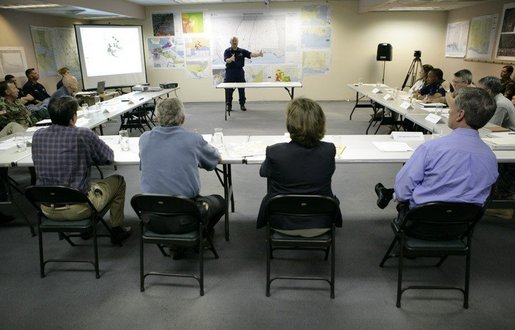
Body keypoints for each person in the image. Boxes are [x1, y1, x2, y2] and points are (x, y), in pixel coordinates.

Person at [375, 87, 498, 227]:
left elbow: (403, 192)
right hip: (462, 226)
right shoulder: (491, 157)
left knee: (406, 185)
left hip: (420, 223)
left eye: (451, 108)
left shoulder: (430, 149)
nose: (449, 111)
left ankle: (387, 194)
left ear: (460, 115)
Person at [31, 96, 132, 245]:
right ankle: (117, 229)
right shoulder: (82, 134)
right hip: (78, 208)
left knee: (85, 182)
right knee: (118, 181)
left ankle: (87, 230)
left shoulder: (37, 135)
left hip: (46, 207)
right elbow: (108, 157)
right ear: (73, 117)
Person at [139, 98, 225, 244]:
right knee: (220, 202)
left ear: (156, 118)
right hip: (185, 219)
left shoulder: (144, 139)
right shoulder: (193, 139)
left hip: (151, 218)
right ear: (182, 119)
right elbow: (214, 160)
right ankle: (202, 235)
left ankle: (177, 246)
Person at [256, 97, 342, 236]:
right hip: (322, 220)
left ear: (290, 124)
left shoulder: (275, 152)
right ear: (320, 123)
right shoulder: (329, 151)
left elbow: (263, 172)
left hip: (281, 221)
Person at [478, 76, 515, 219]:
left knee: (498, 165)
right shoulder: (495, 100)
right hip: (504, 141)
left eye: (480, 90)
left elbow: (487, 127)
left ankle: (503, 207)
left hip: (508, 146)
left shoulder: (500, 104)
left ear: (488, 90)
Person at [223, 36, 263, 112]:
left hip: (239, 72)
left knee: (241, 89)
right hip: (230, 72)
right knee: (228, 89)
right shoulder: (227, 51)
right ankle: (229, 105)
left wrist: (259, 54)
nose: (234, 42)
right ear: (230, 42)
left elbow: (251, 54)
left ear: (238, 42)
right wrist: (230, 59)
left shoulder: (241, 51)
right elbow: (226, 60)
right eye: (233, 41)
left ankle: (242, 104)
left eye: (236, 41)